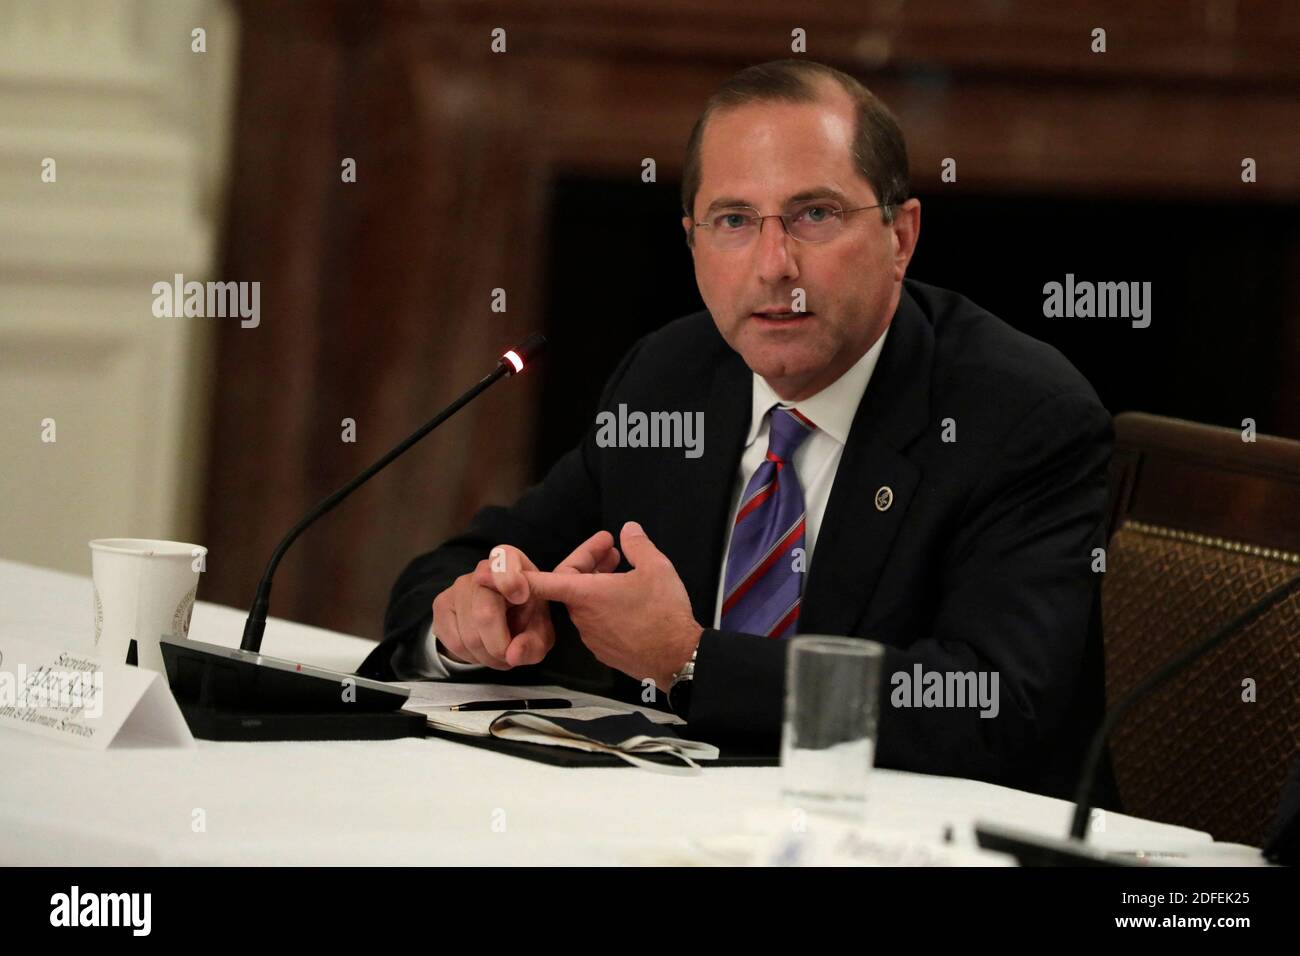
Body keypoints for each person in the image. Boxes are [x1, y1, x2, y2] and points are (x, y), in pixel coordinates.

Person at [358, 58, 1117, 803]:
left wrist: (691, 660)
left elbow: (987, 703)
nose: (773, 265)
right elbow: (471, 562)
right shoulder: (670, 378)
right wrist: (466, 628)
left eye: (815, 215)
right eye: (733, 221)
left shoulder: (1020, 415)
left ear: (901, 236)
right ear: (692, 242)